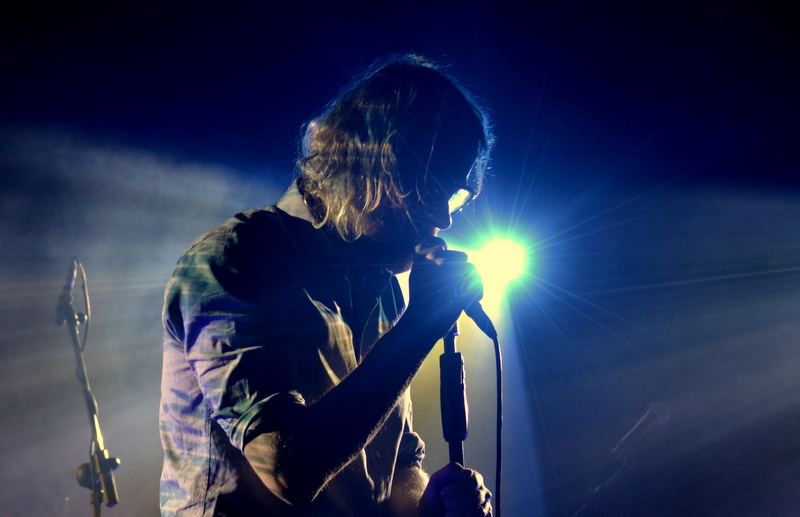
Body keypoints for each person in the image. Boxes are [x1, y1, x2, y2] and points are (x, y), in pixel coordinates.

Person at [159, 54, 495, 516]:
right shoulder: (236, 259)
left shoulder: (384, 288)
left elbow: (395, 467)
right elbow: (288, 469)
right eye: (430, 189)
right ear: (377, 169)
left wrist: (428, 505)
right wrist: (418, 328)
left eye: (455, 196)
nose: (444, 217)